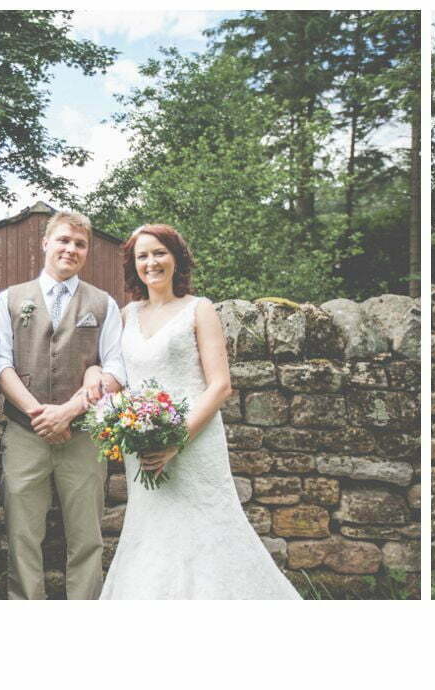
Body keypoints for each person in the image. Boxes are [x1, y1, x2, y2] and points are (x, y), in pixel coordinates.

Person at [97, 224, 299, 599]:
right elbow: (115, 373)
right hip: (141, 441)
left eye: (159, 253)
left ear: (176, 258)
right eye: (142, 256)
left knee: (206, 529)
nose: (151, 262)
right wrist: (96, 374)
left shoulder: (198, 309)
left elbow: (220, 384)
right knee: (152, 531)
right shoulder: (126, 315)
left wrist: (176, 440)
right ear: (133, 264)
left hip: (194, 439)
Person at [0, 210, 125, 599]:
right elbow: (0, 364)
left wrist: (68, 412)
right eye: (64, 240)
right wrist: (40, 414)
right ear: (45, 242)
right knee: (21, 535)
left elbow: (116, 368)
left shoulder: (103, 304)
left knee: (87, 537)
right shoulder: (11, 299)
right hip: (23, 433)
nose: (71, 249)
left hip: (83, 436)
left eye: (80, 244)